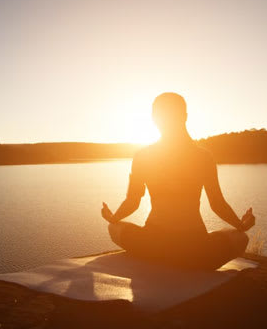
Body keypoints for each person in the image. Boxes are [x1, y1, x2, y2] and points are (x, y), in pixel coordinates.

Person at [101, 92, 255, 270]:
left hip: (152, 244)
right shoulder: (203, 156)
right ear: (185, 116)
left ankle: (157, 258)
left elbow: (132, 201)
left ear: (154, 119)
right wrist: (240, 225)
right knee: (240, 238)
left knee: (114, 228)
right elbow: (217, 204)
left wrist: (113, 218)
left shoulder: (143, 156)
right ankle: (189, 261)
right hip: (194, 247)